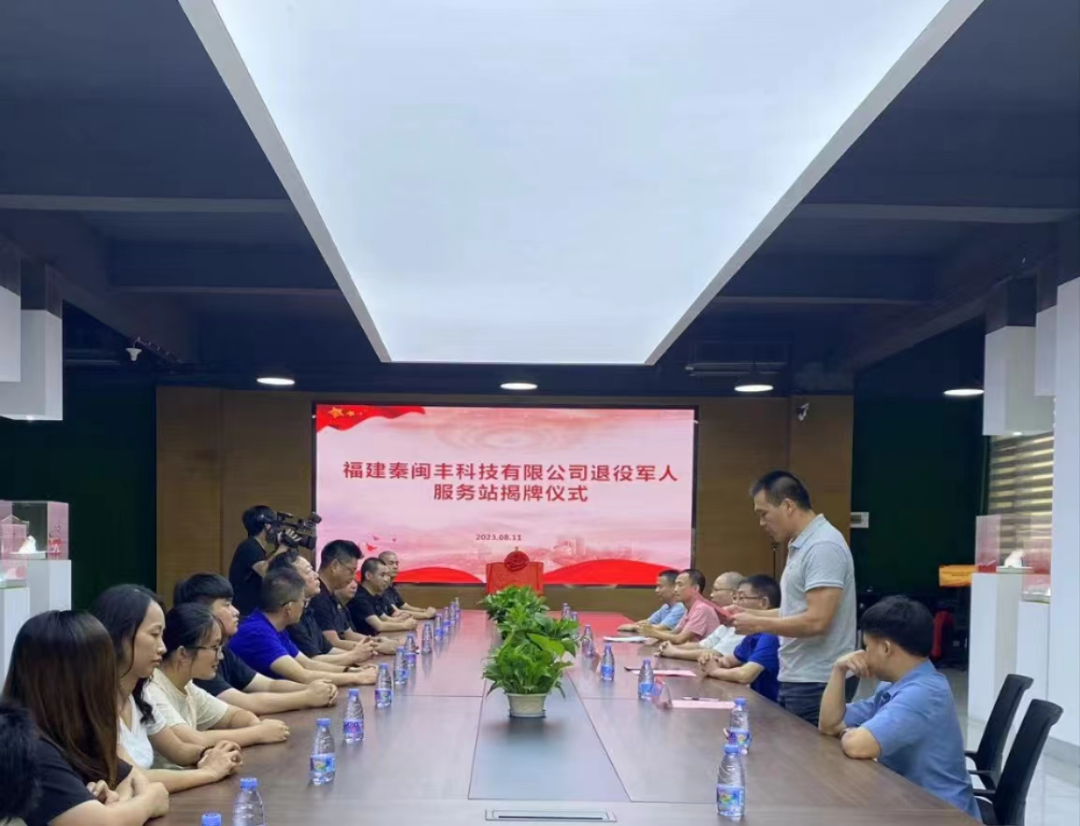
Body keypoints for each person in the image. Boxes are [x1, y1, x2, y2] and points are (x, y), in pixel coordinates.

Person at [2, 611, 171, 826]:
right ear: (78, 680)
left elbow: (133, 778)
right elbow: (102, 823)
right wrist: (148, 802)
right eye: (105, 671)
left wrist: (116, 803)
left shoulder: (65, 735)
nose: (110, 683)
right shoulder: (25, 747)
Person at [818, 597, 980, 820]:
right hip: (908, 801)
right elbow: (829, 724)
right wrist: (839, 670)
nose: (863, 654)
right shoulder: (895, 685)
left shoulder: (923, 693)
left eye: (867, 647)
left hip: (942, 814)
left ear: (885, 648)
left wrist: (850, 733)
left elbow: (857, 746)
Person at [726, 471, 857, 725]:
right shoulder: (801, 544)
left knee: (810, 751)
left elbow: (817, 621)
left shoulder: (822, 546)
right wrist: (748, 613)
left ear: (788, 506)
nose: (761, 523)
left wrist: (758, 624)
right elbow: (795, 610)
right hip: (797, 675)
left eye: (764, 513)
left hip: (818, 680)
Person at [91, 585, 241, 793]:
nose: (162, 647)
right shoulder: (94, 702)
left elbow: (178, 749)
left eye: (162, 635)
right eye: (154, 634)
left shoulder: (139, 693)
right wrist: (209, 772)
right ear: (119, 636)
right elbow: (132, 777)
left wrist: (208, 754)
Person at [144, 603, 291, 766]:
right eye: (214, 647)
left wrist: (254, 724)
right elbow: (191, 740)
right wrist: (258, 733)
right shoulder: (151, 689)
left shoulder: (187, 686)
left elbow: (233, 715)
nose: (220, 656)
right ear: (183, 654)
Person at [173, 574, 339, 715]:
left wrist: (312, 689)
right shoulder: (197, 660)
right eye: (227, 605)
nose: (236, 611)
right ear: (202, 612)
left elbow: (268, 685)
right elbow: (247, 703)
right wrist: (307, 696)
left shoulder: (224, 652)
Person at [228, 567, 377, 687]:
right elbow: (303, 675)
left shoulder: (275, 626)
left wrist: (352, 670)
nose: (304, 606)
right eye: (302, 601)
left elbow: (308, 664)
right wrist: (358, 677)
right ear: (289, 608)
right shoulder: (257, 632)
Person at [268, 550, 377, 666]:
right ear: (288, 580)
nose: (316, 575)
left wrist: (361, 655)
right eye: (309, 571)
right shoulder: (288, 617)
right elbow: (309, 664)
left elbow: (328, 649)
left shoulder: (307, 610)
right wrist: (355, 658)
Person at [701, 575, 782, 702]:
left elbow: (745, 675)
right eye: (735, 598)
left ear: (763, 603)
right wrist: (711, 660)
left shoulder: (771, 634)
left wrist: (714, 671)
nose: (735, 604)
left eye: (742, 598)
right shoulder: (754, 633)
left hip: (774, 707)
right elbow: (729, 660)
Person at [657, 572, 745, 659]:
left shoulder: (744, 625)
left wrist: (675, 652)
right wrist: (671, 647)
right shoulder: (726, 623)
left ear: (735, 594)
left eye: (716, 590)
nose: (711, 595)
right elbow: (703, 645)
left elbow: (717, 653)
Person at [228, 505, 287, 617]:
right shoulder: (249, 547)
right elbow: (265, 571)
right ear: (267, 526)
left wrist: (279, 548)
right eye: (275, 525)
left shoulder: (256, 548)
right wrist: (283, 547)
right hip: (246, 615)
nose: (277, 530)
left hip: (252, 612)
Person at [638, 569, 719, 645]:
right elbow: (674, 633)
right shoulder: (690, 609)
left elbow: (680, 639)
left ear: (695, 588)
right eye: (676, 585)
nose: (675, 590)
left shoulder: (702, 608)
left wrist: (653, 632)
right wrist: (653, 634)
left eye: (680, 585)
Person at [348, 558, 419, 635]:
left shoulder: (375, 596)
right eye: (382, 575)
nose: (386, 579)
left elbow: (385, 619)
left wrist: (403, 619)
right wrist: (405, 625)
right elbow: (379, 626)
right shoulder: (359, 597)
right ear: (368, 576)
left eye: (387, 575)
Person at [616, 570, 686, 633]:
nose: (656, 590)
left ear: (674, 587)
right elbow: (648, 622)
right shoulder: (665, 607)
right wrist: (635, 625)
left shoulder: (681, 607)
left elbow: (661, 628)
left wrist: (634, 627)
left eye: (660, 586)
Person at [378, 551, 437, 619]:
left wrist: (424, 611)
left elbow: (404, 606)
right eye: (391, 563)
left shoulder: (390, 586)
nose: (395, 567)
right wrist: (425, 615)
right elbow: (396, 612)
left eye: (396, 563)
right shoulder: (380, 588)